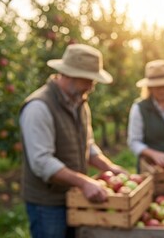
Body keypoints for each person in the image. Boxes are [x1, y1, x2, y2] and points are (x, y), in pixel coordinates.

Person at [19, 44, 128, 238]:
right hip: (48, 203)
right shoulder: (39, 107)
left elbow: (88, 145)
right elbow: (42, 162)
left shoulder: (80, 103)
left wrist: (109, 168)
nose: (92, 86)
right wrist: (84, 183)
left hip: (76, 198)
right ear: (68, 74)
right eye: (88, 80)